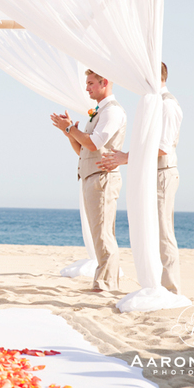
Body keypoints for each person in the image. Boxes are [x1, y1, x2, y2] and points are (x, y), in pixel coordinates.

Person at [97, 62, 183, 294]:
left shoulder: (167, 106)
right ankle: (159, 285)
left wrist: (126, 157)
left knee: (164, 232)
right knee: (153, 230)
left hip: (162, 174)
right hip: (152, 173)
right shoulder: (154, 104)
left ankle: (171, 288)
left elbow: (163, 147)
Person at [50, 69, 126, 292]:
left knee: (103, 233)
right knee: (98, 233)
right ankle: (104, 281)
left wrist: (71, 128)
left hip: (103, 178)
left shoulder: (112, 112)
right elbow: (83, 150)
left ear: (105, 82)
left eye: (91, 83)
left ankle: (106, 284)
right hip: (91, 176)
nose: (87, 88)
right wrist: (69, 132)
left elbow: (94, 144)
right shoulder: (100, 112)